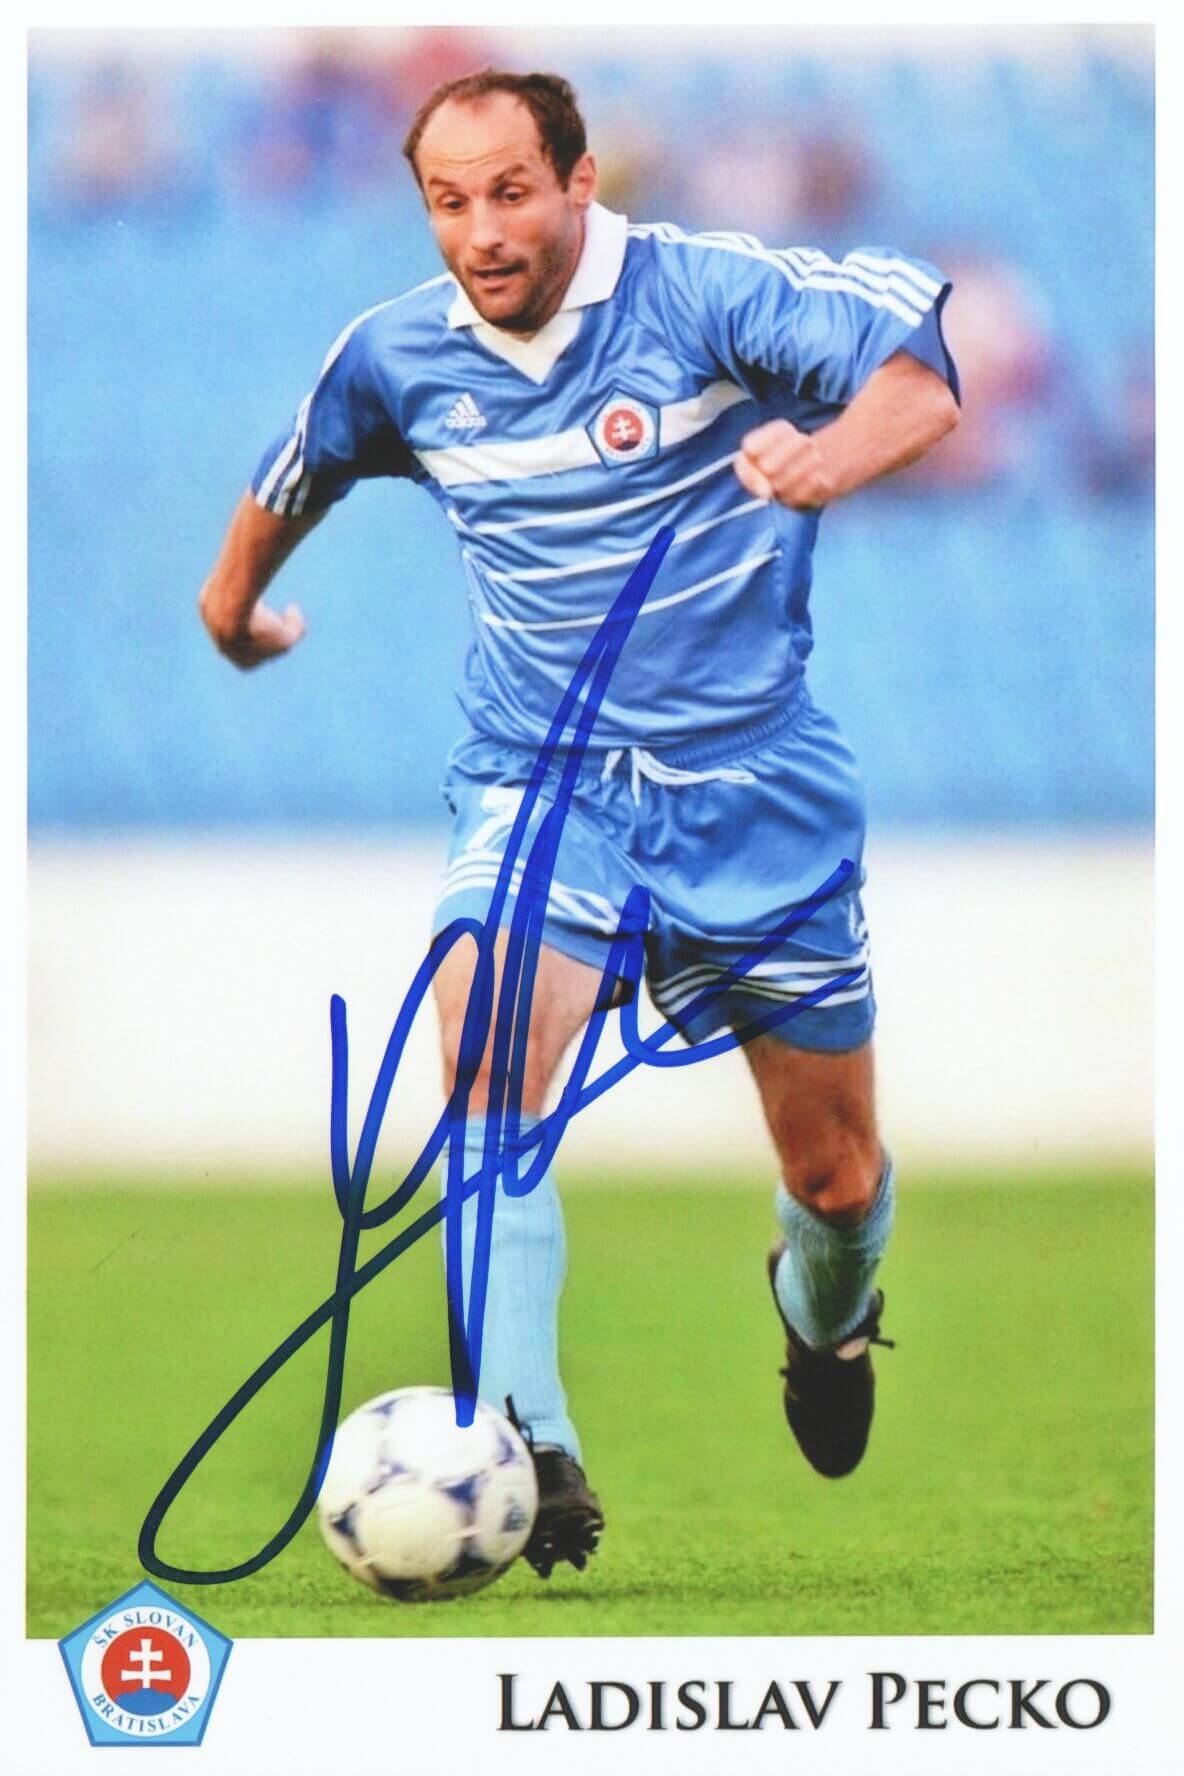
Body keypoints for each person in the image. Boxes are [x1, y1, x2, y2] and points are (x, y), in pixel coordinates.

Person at [199, 69, 960, 1582]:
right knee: (486, 1052)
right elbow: (299, 471)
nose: (480, 230)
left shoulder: (703, 294)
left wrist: (827, 457)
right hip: (543, 777)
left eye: (509, 192)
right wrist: (230, 611)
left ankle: (827, 1316)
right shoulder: (396, 355)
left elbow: (918, 378)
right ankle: (529, 1447)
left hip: (752, 785)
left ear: (579, 180)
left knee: (836, 1174)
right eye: (449, 201)